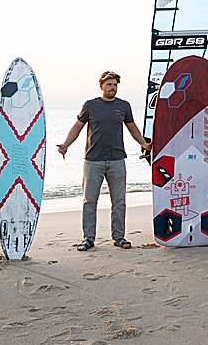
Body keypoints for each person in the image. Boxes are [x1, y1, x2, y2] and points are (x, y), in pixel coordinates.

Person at [58, 70, 149, 252]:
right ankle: (88, 238)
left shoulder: (124, 106)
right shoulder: (90, 105)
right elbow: (77, 127)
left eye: (115, 85)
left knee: (119, 201)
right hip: (93, 160)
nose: (112, 87)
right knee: (89, 201)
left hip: (117, 160)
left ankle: (119, 237)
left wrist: (144, 144)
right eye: (109, 84)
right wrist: (66, 144)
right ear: (101, 86)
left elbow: (132, 128)